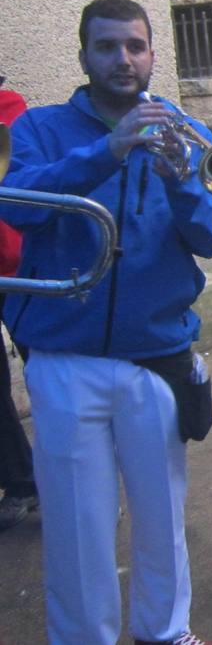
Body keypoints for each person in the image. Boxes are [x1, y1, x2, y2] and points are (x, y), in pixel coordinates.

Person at [0, 0, 212, 645]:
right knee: (79, 525)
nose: (123, 59)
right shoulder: (41, 130)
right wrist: (106, 151)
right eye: (107, 46)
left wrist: (179, 180)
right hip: (65, 356)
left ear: (153, 54)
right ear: (84, 56)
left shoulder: (187, 133)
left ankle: (166, 631)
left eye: (135, 45)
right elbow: (17, 210)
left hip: (154, 356)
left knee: (162, 514)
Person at [0, 76, 37, 532]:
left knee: (45, 376)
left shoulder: (12, 108)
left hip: (20, 267)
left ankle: (80, 483)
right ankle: (21, 483)